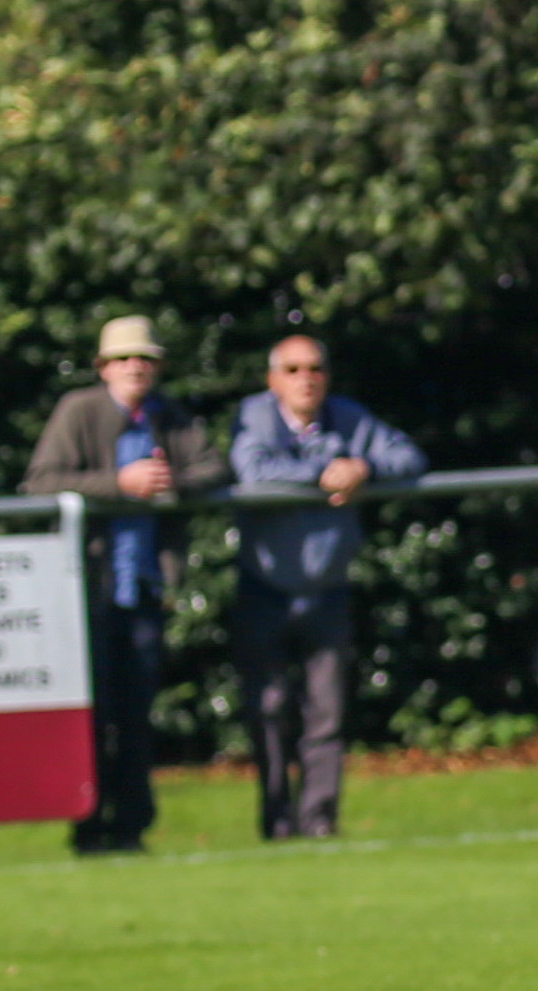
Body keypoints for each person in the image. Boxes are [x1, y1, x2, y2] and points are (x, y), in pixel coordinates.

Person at [24, 315, 227, 854]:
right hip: (88, 588)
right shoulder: (79, 411)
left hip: (142, 587)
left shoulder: (170, 417)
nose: (135, 367)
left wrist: (169, 483)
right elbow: (41, 483)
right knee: (93, 713)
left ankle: (133, 826)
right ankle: (89, 825)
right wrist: (118, 485)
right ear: (103, 367)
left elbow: (212, 468)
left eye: (145, 358)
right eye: (123, 358)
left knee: (137, 712)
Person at [229, 335, 426, 839]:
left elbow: (408, 456)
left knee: (327, 714)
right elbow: (252, 471)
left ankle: (319, 823)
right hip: (265, 588)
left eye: (314, 368)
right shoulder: (255, 416)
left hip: (329, 589)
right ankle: (276, 822)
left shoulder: (349, 417)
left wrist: (364, 467)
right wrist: (323, 473)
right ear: (273, 380)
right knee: (268, 710)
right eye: (292, 370)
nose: (305, 379)